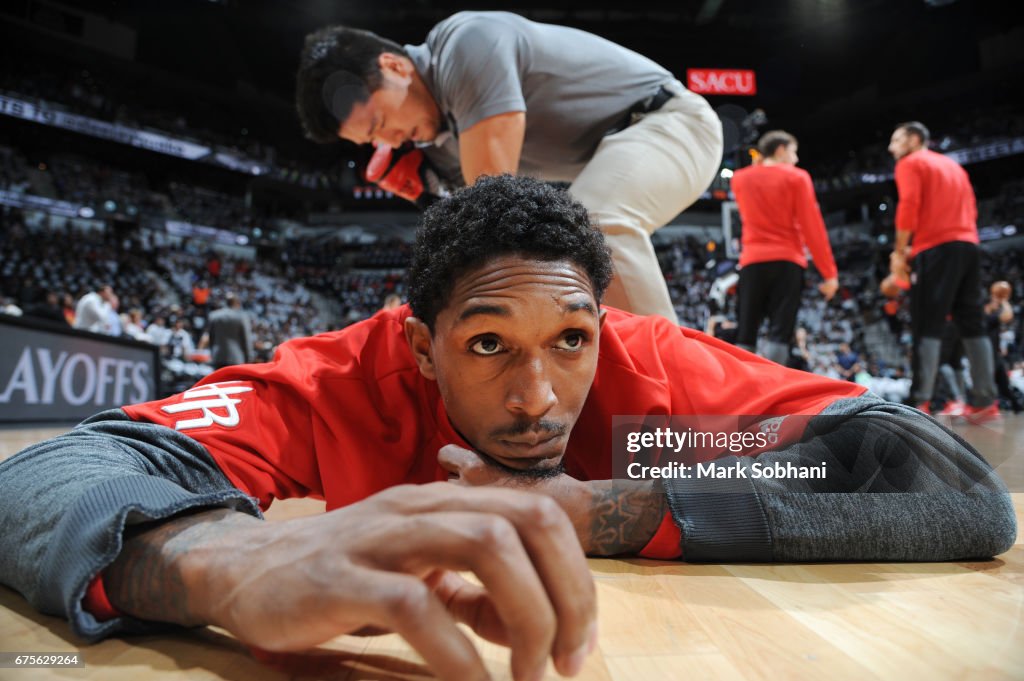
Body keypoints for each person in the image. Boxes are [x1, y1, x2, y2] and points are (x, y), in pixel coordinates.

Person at [0, 176, 1015, 681]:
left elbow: (943, 479)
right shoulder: (334, 381)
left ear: (598, 322)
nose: (539, 398)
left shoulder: (645, 365)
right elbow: (52, 471)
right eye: (489, 346)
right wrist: (220, 560)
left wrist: (605, 507)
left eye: (568, 340)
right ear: (422, 346)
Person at [294, 11, 724, 323]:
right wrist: (428, 192)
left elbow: (495, 211)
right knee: (566, 235)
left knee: (590, 225)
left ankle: (676, 382)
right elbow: (468, 223)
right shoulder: (440, 136)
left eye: (379, 123)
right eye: (370, 141)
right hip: (621, 145)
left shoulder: (465, 44)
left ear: (394, 66)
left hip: (673, 122)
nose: (386, 141)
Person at [887, 121, 999, 423]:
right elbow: (971, 209)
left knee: (927, 324)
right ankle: (985, 401)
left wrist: (900, 250)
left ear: (913, 139)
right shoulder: (954, 167)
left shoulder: (911, 163)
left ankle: (919, 401)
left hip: (935, 249)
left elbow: (909, 205)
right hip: (968, 246)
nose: (891, 147)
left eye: (896, 140)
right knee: (973, 324)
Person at [730, 130, 839, 365]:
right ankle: (774, 392)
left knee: (746, 330)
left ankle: (739, 392)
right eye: (793, 152)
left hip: (751, 260)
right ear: (780, 150)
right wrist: (829, 273)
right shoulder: (797, 177)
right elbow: (813, 227)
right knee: (780, 332)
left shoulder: (739, 179)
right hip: (787, 260)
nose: (796, 159)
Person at [985, 280, 1022, 413]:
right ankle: (988, 407)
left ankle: (1016, 407)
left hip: (995, 355)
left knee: (1004, 385)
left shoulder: (991, 316)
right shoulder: (987, 317)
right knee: (990, 384)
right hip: (987, 356)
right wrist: (1004, 300)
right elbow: (1007, 315)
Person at [198, 293, 254, 370]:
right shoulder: (241, 317)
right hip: (236, 357)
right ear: (236, 303)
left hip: (217, 356)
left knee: (219, 381)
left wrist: (212, 353)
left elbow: (211, 337)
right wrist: (249, 358)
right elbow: (246, 339)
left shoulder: (214, 315)